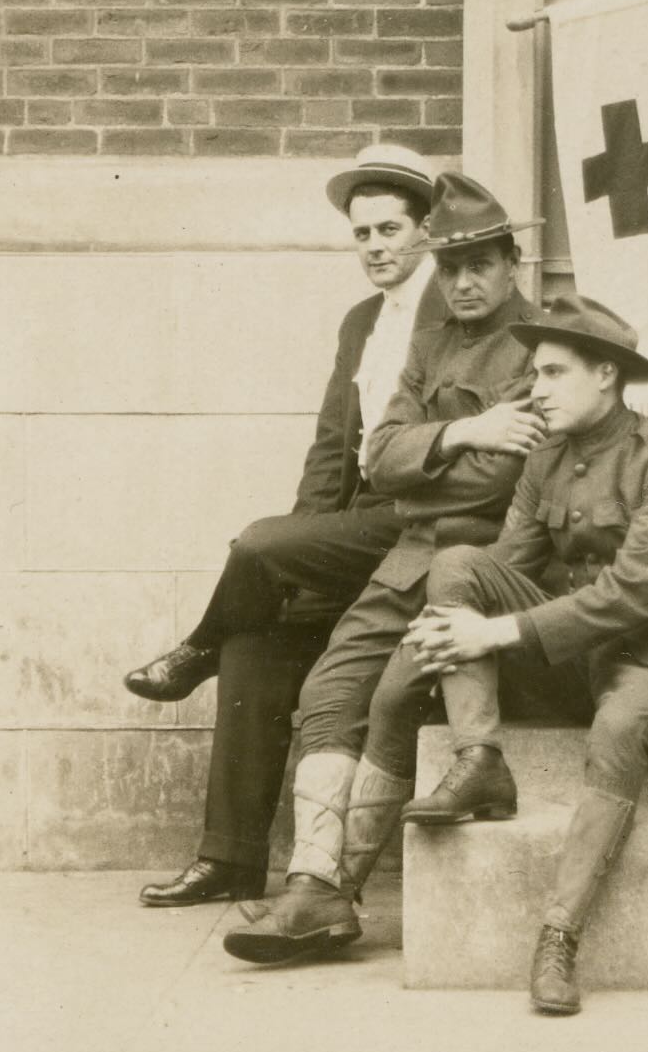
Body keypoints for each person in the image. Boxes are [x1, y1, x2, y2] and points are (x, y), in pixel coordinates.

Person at [227, 280, 648, 998]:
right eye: (535, 373)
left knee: (619, 727)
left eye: (555, 372)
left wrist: (490, 632)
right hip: (577, 658)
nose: (538, 389)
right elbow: (503, 571)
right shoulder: (545, 458)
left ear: (607, 375)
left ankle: (558, 937)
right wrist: (423, 652)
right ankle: (465, 772)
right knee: (453, 572)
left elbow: (631, 597)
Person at [126, 167, 539, 908]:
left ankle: (331, 886)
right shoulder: (405, 335)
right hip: (385, 544)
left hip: (455, 559)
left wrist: (421, 456)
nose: (464, 281)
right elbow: (363, 449)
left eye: (480, 263)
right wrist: (463, 434)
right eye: (454, 266)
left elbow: (493, 484)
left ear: (512, 262)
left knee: (275, 568)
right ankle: (256, 869)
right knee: (281, 661)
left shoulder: (535, 347)